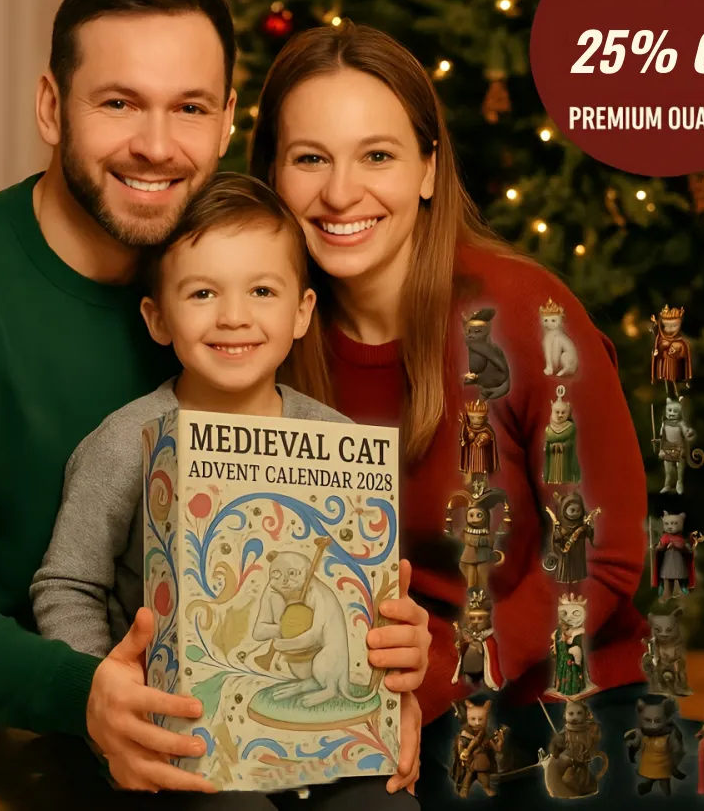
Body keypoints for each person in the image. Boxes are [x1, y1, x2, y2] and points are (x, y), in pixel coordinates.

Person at [247, 22, 704, 807]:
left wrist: (454, 671)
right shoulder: (257, 333)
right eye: (310, 158)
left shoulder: (527, 316)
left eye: (378, 156)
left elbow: (602, 553)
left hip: (571, 687)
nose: (340, 193)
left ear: (428, 169)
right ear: (272, 176)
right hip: (376, 695)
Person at [0, 0, 248, 798]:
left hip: (194, 729)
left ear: (229, 120)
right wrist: (79, 695)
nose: (157, 146)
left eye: (189, 108)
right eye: (119, 102)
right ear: (53, 108)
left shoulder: (241, 299)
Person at [30, 172, 426, 805]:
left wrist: (402, 659)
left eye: (263, 290)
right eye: (203, 292)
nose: (234, 316)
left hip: (328, 742)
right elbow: (67, 584)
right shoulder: (125, 440)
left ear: (302, 312)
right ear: (157, 318)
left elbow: (370, 601)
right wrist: (103, 691)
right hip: (179, 741)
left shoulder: (341, 444)